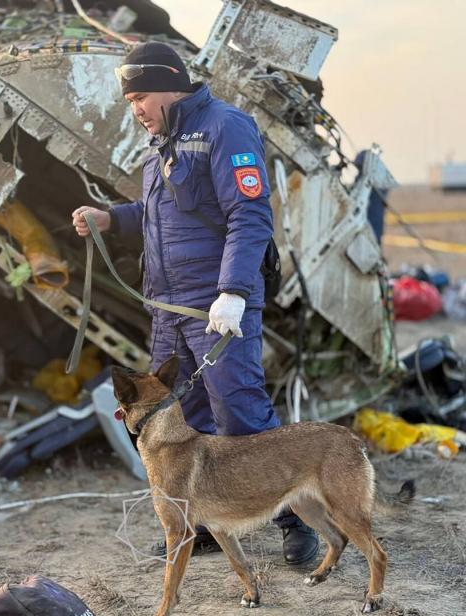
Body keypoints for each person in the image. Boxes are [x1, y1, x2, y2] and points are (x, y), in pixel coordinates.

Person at [72, 42, 318, 565]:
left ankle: (296, 522)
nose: (136, 109)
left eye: (140, 96)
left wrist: (232, 292)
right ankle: (201, 525)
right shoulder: (160, 143)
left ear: (169, 84)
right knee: (186, 419)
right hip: (169, 310)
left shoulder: (226, 127)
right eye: (130, 101)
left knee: (240, 412)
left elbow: (249, 215)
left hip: (215, 305)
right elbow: (159, 214)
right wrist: (111, 218)